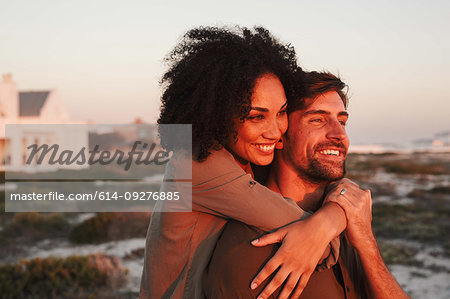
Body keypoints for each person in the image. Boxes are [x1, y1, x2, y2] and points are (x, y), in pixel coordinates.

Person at [140, 27, 349, 299]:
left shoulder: (242, 157)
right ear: (219, 113)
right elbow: (317, 242)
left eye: (282, 112)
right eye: (256, 116)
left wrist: (342, 193)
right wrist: (337, 214)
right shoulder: (199, 166)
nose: (275, 132)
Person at [204, 71, 410, 299]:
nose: (339, 134)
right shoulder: (253, 251)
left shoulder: (348, 223)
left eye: (342, 121)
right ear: (278, 135)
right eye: (318, 120)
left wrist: (366, 243)